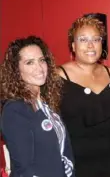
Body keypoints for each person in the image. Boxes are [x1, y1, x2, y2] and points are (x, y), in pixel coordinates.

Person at [57, 14, 110, 177]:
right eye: (83, 39)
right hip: (75, 166)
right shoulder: (58, 77)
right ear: (73, 46)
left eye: (96, 39)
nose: (90, 45)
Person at [0, 36, 75, 177]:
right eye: (29, 63)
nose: (39, 68)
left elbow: (61, 150)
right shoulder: (15, 110)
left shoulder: (47, 103)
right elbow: (25, 169)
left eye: (42, 60)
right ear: (16, 70)